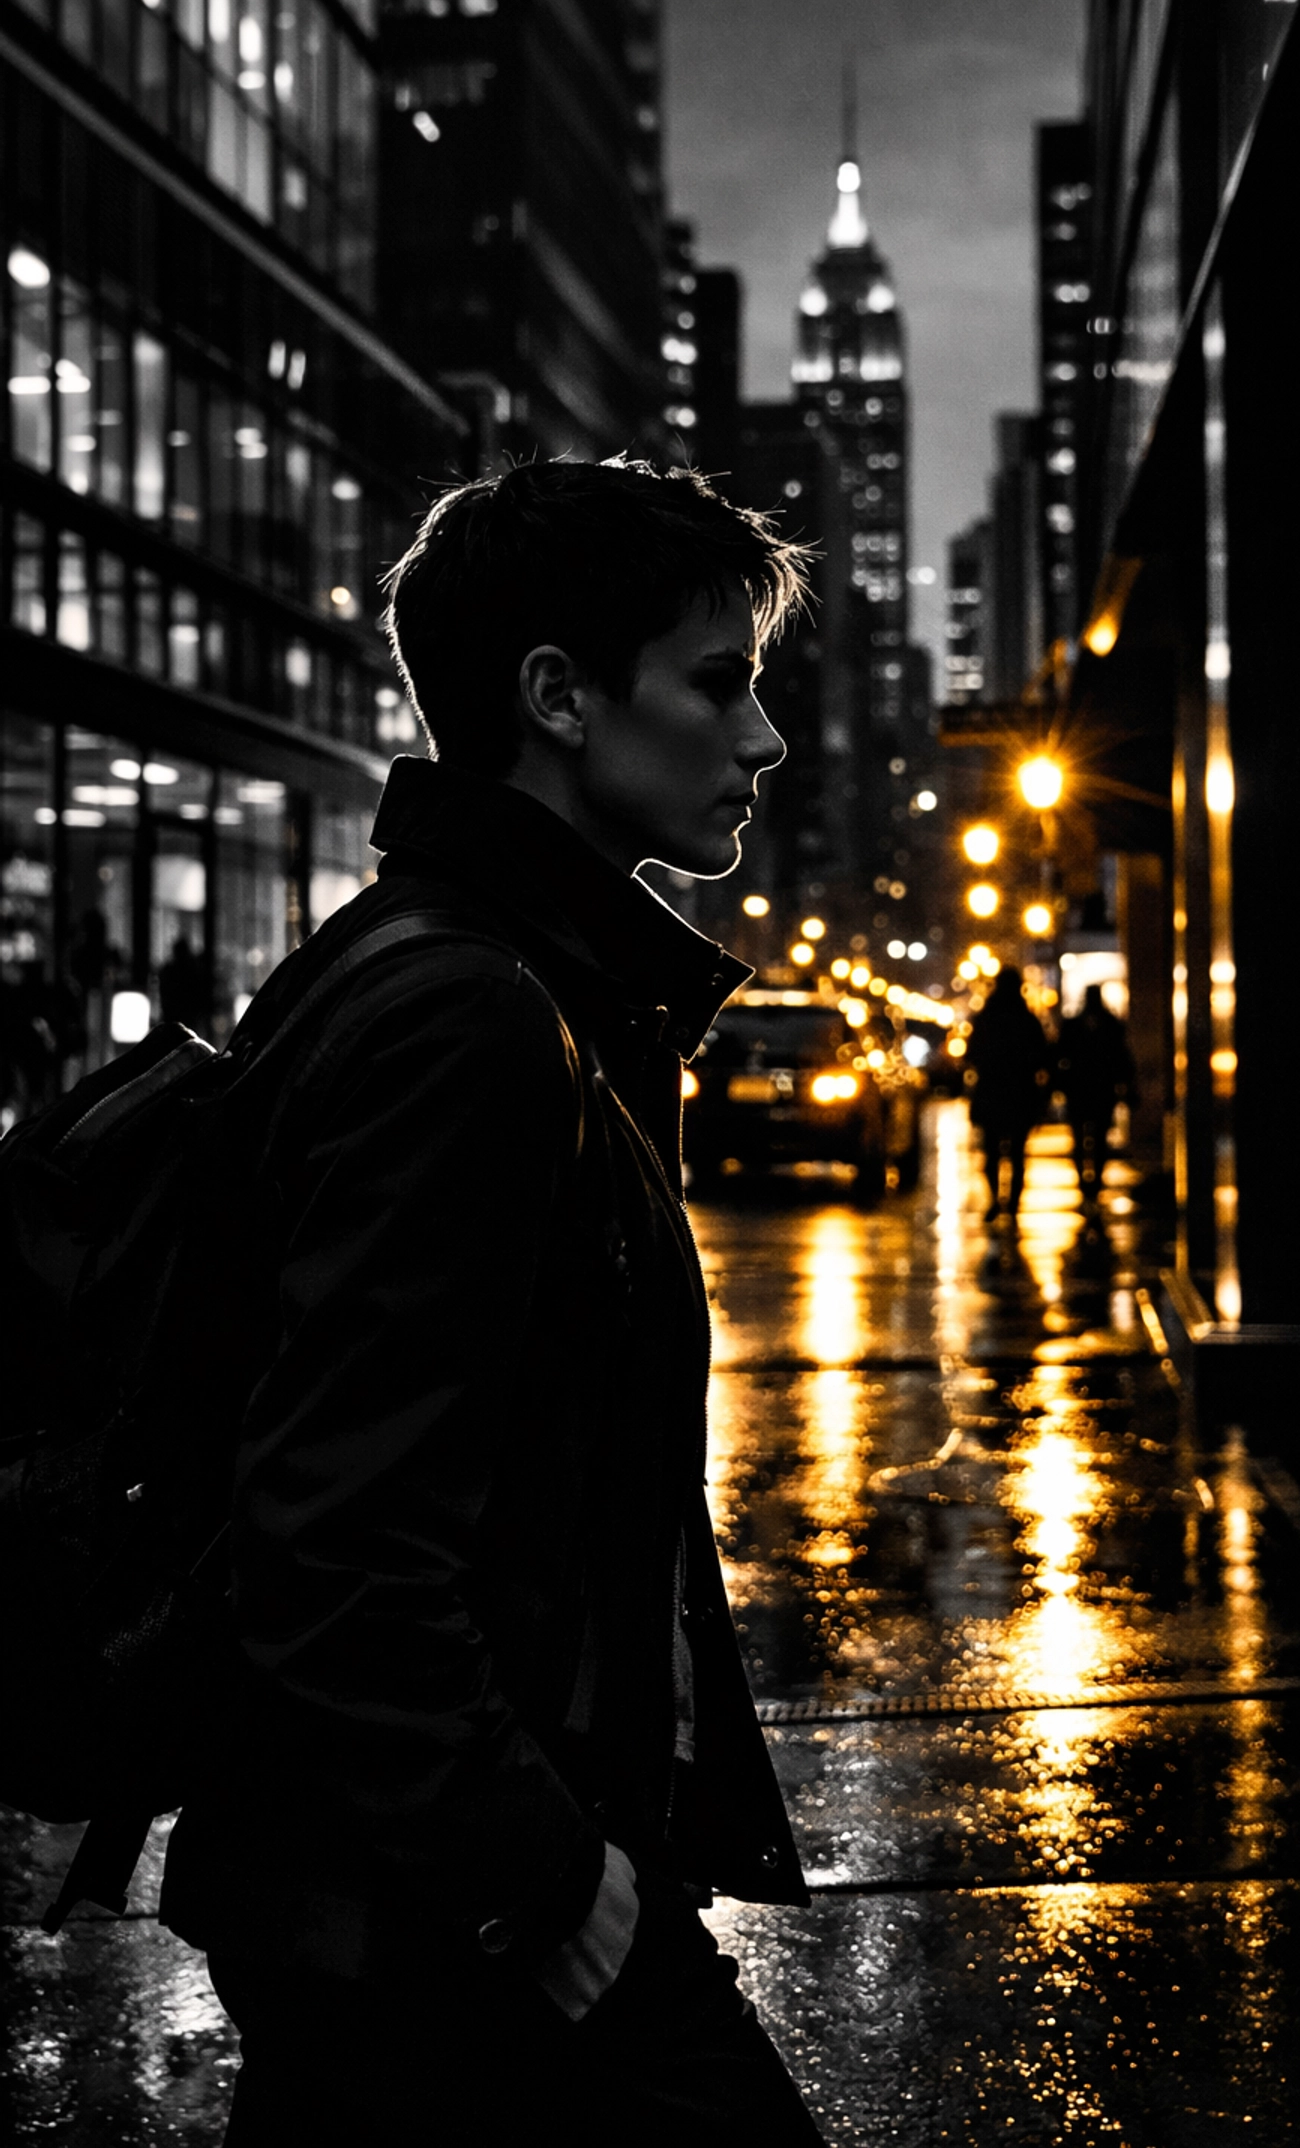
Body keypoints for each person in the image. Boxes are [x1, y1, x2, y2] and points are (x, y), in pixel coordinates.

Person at [159, 460, 827, 2145]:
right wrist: (563, 1898)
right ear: (555, 696)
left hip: (401, 1902)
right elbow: (337, 1553)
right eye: (716, 678)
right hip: (444, 1922)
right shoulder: (467, 1016)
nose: (764, 740)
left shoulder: (464, 971)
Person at [966, 965, 1052, 1221]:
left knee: (992, 1153)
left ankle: (997, 1201)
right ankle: (1012, 1205)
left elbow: (971, 1055)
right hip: (1019, 1093)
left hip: (991, 1091)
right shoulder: (1026, 1019)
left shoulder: (986, 1017)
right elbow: (1042, 1057)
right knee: (1016, 1153)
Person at [1055, 982, 1136, 1190]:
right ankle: (1095, 1181)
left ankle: (1084, 1179)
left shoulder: (1072, 1025)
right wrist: (1126, 1085)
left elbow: (1059, 1055)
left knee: (1080, 1138)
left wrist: (1057, 1083)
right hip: (1103, 1087)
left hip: (1078, 1088)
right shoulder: (1112, 1024)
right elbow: (1122, 1057)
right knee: (1099, 1138)